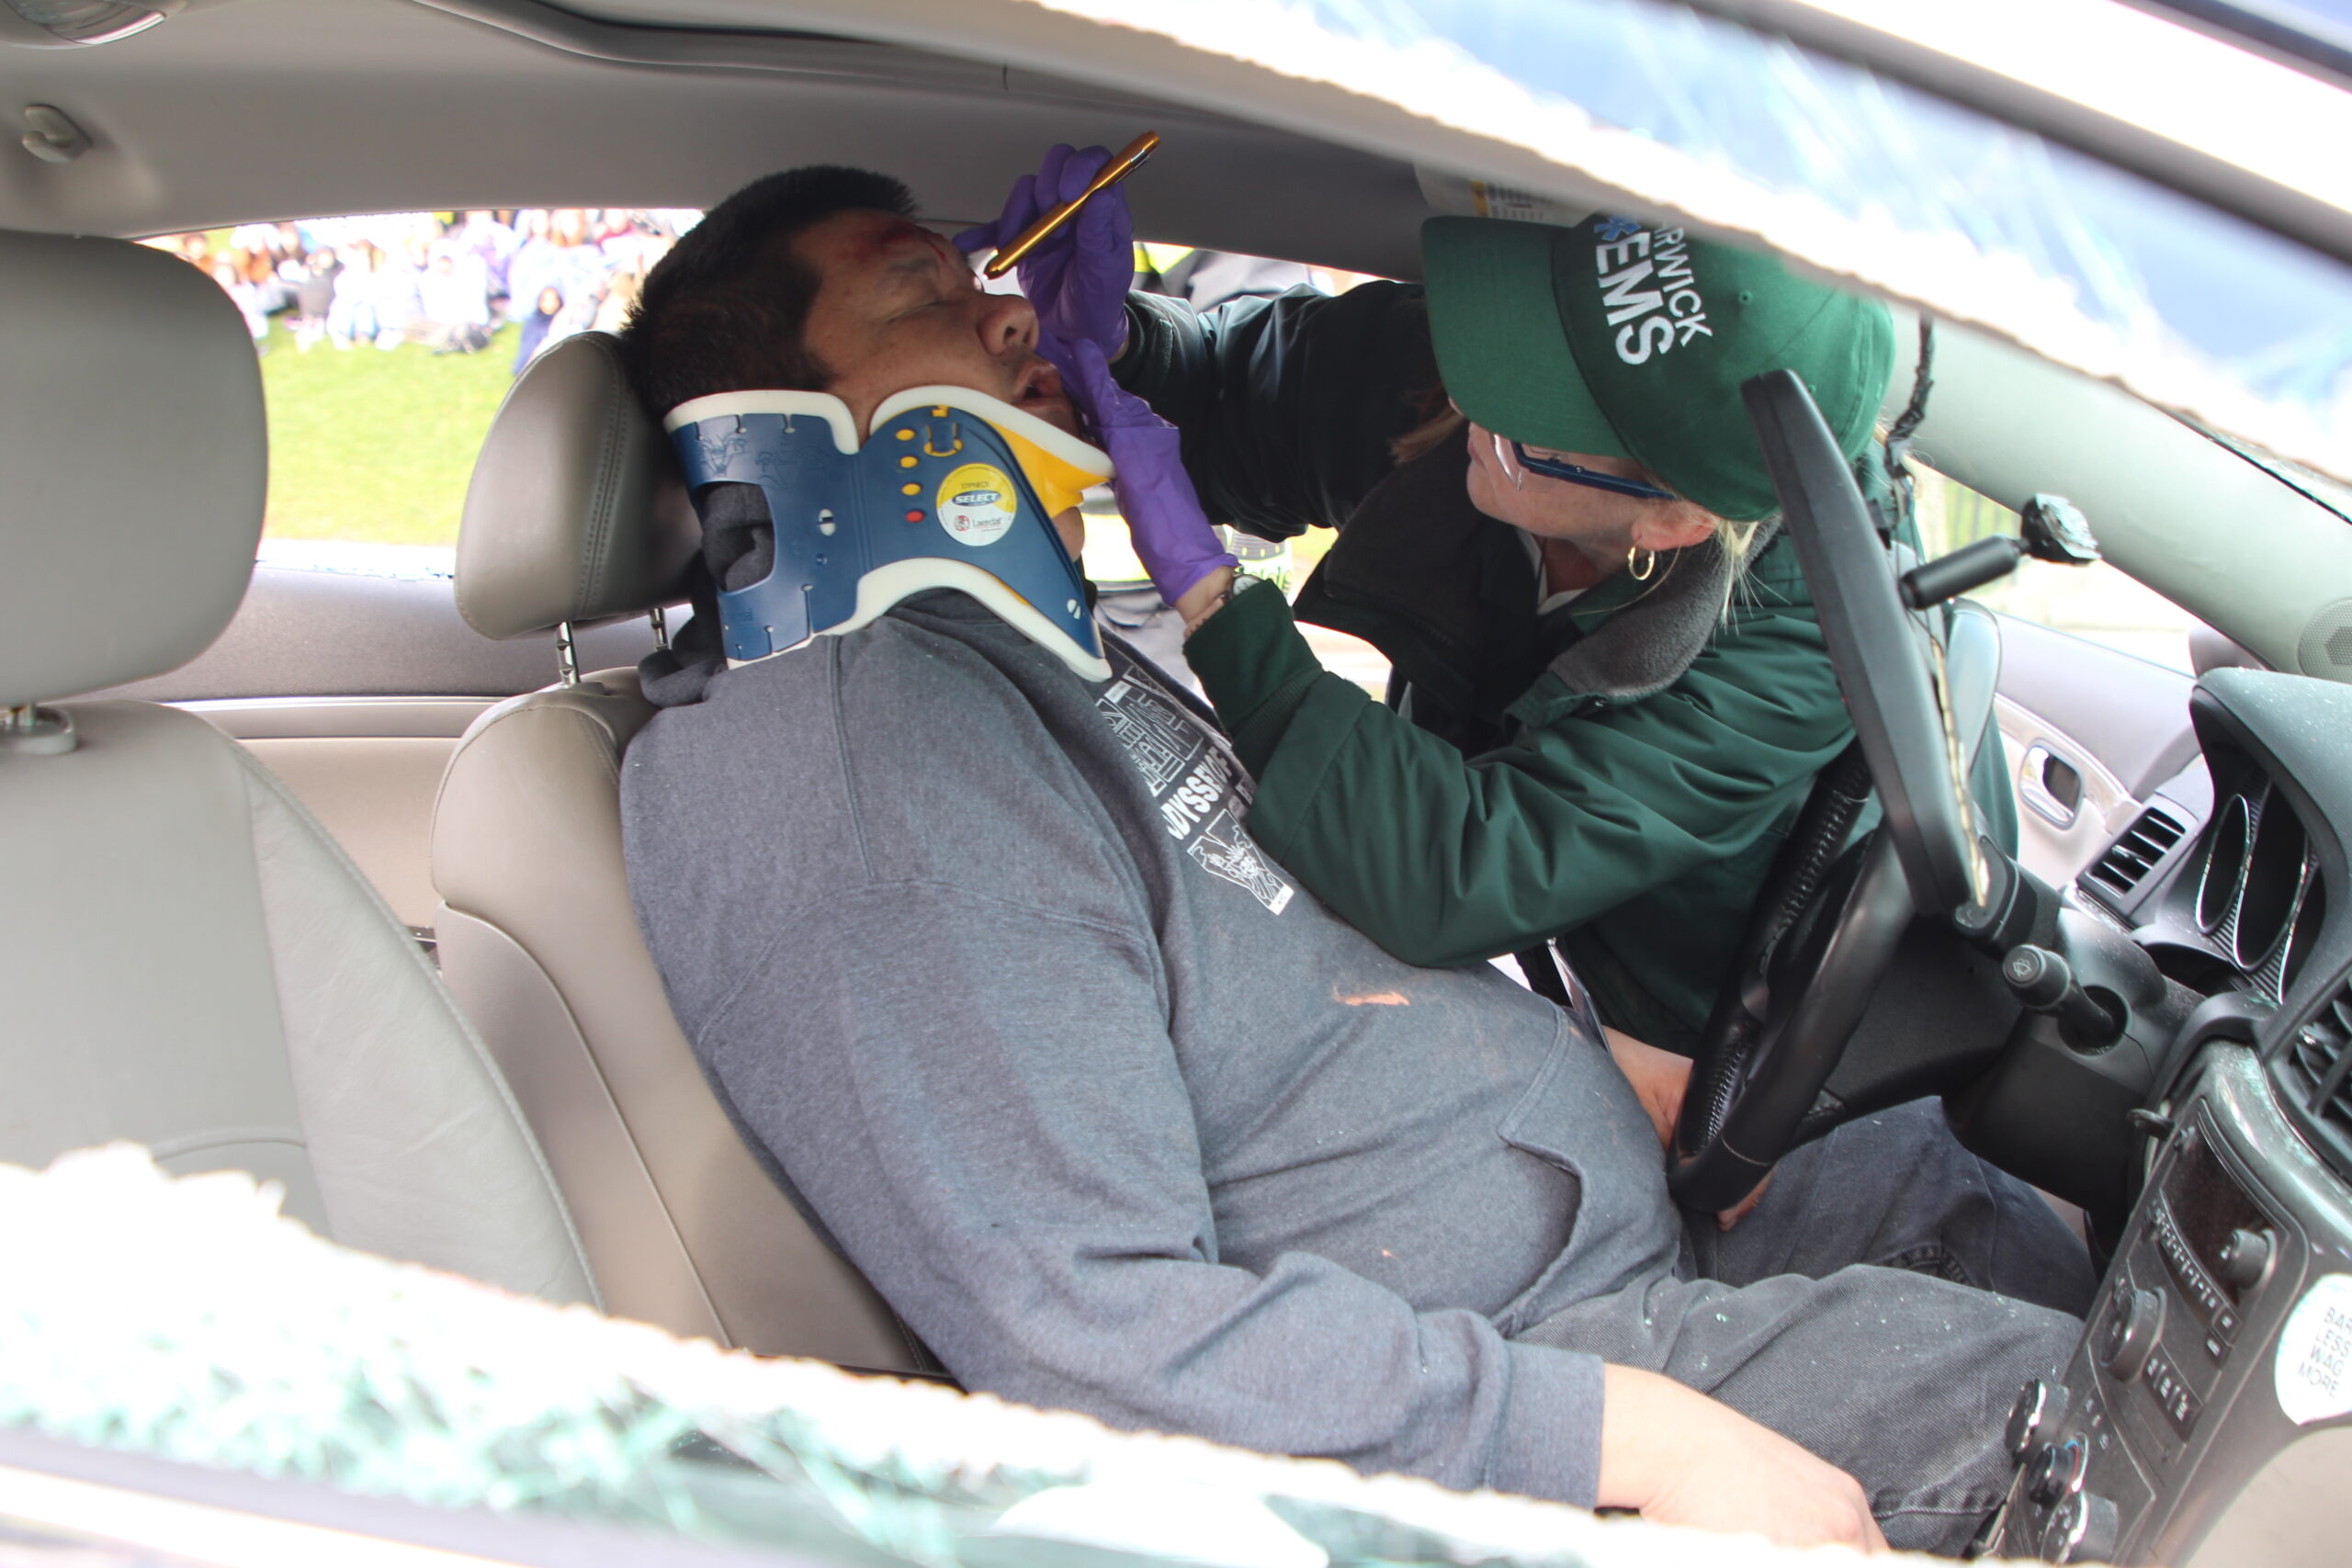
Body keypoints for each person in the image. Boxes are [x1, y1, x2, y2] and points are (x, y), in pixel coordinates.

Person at [614, 164, 2093, 1557]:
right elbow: (1089, 1333)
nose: (1005, 307)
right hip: (1515, 1356)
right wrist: (1628, 1436)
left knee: (1972, 1187)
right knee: (2102, 1417)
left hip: (1583, 1220)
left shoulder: (997, 657)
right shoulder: (877, 767)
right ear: (772, 422)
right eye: (923, 291)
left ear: (1672, 517)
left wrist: (1592, 1051)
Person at [960, 149, 2016, 1055]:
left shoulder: (1798, 648)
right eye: (1512, 348)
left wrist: (1219, 609)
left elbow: (1464, 867)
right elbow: (1264, 389)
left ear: (1668, 522)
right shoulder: (1505, 381)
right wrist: (1133, 349)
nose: (1467, 397)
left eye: (1520, 415)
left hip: (1721, 1009)